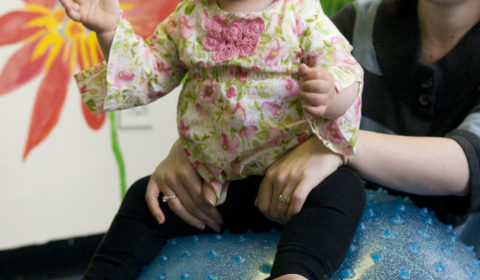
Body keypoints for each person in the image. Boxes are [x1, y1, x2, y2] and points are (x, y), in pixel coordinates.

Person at [146, 0, 480, 265]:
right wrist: (192, 149)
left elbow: (470, 160)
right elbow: (261, 101)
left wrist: (334, 146)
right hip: (317, 239)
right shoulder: (355, 22)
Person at [59, 0, 366, 279]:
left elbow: (346, 72)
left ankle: (296, 273)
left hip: (288, 182)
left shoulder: (300, 12)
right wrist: (111, 31)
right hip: (211, 189)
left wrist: (330, 93)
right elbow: (147, 76)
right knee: (144, 198)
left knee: (343, 188)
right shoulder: (189, 15)